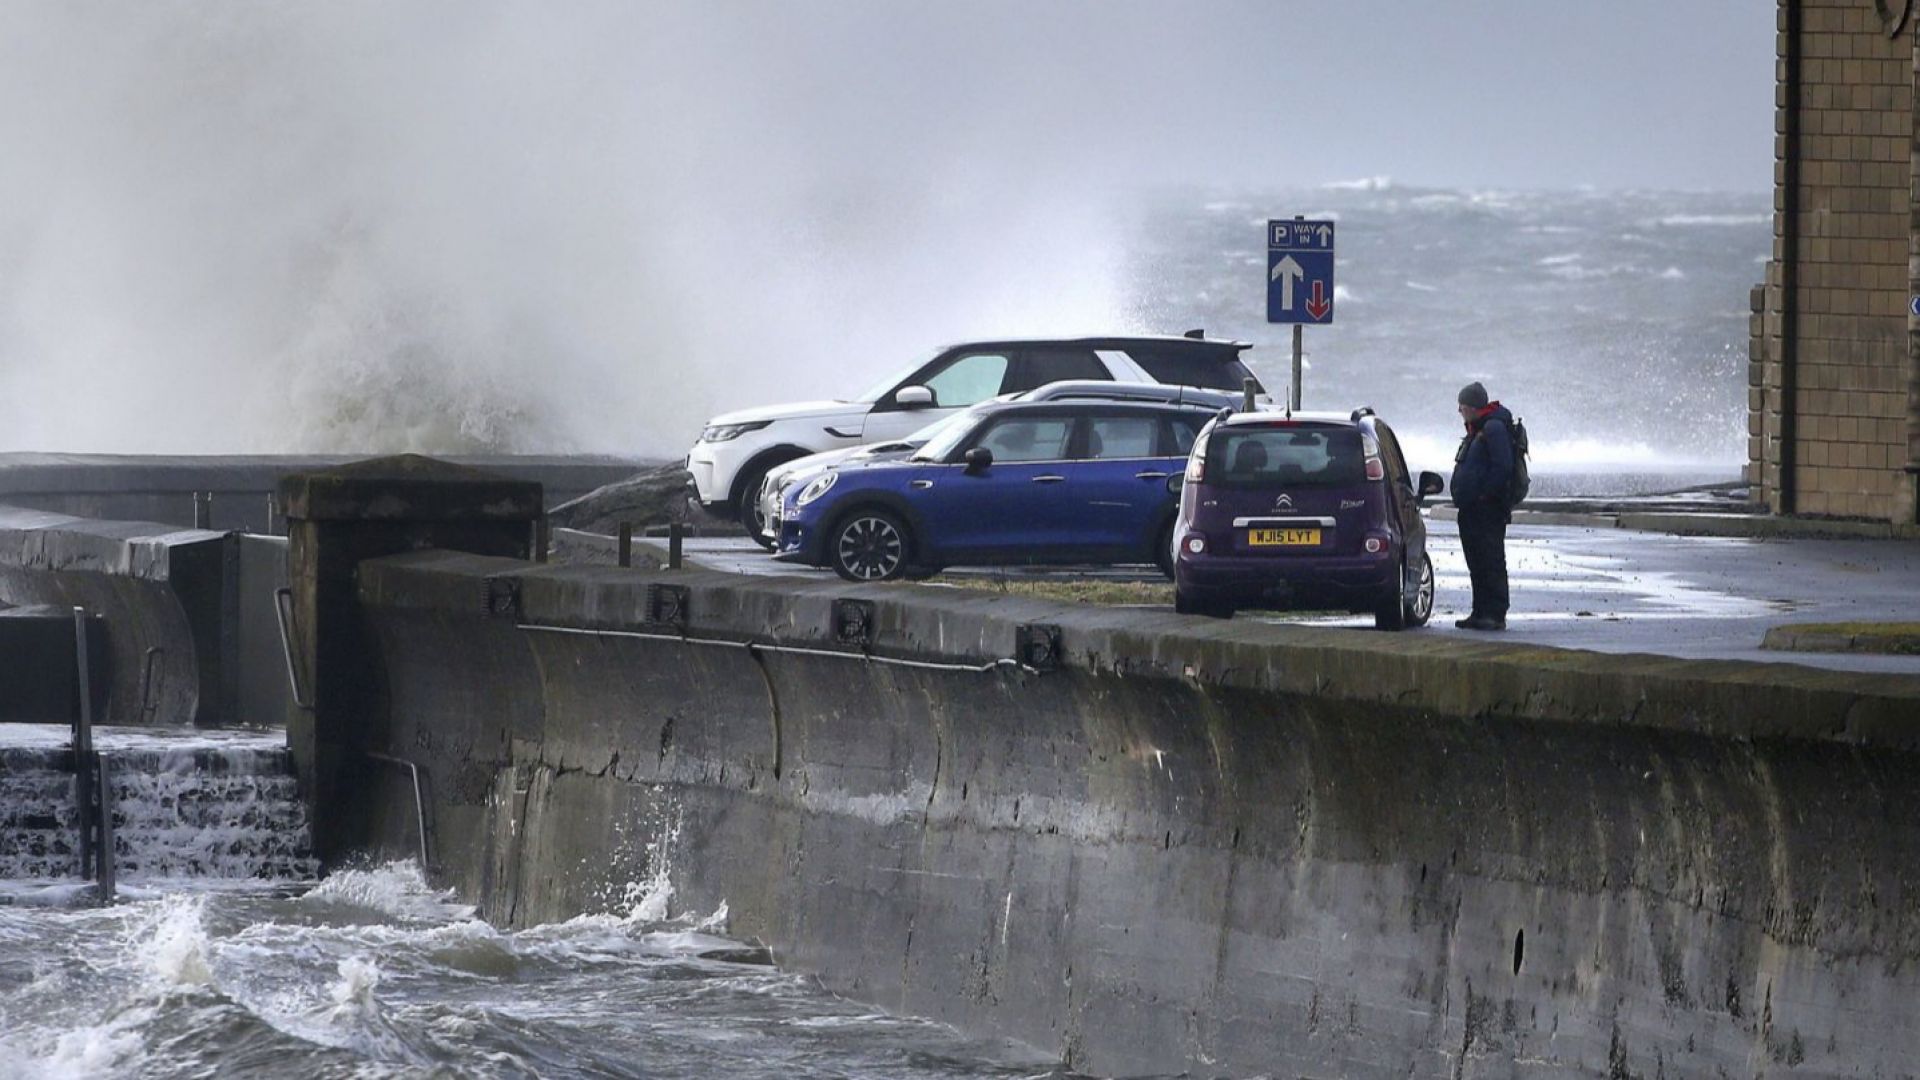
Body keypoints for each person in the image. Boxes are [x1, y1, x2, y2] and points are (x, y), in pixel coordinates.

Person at [1449, 381, 1514, 630]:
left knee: (1491, 560)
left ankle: (1495, 614)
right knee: (1476, 561)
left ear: (1473, 406)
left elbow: (1503, 466)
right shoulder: (1477, 428)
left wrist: (1485, 495)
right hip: (1471, 509)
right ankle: (1479, 611)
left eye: (1462, 406)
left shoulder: (1494, 428)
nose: (1459, 411)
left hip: (1488, 510)